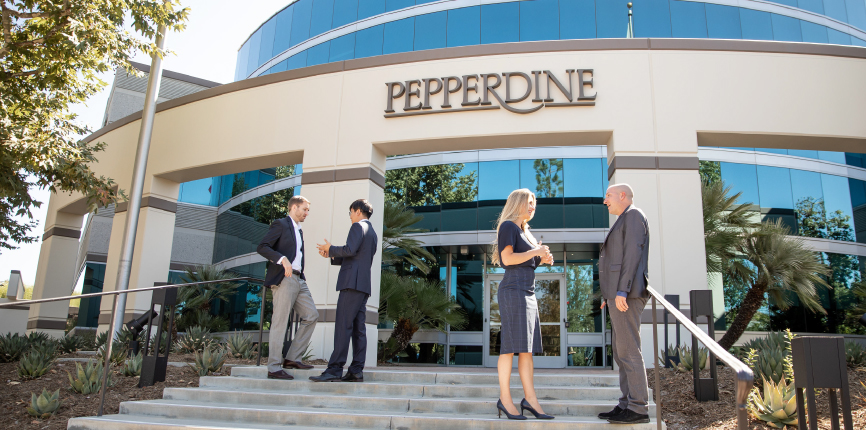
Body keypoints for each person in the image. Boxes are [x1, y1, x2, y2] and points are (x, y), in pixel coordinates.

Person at [491, 189, 555, 420]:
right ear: (517, 203)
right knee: (509, 347)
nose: (532, 207)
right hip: (513, 291)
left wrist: (542, 257)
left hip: (528, 293)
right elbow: (507, 259)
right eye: (529, 202)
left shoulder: (525, 231)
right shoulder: (508, 226)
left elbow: (527, 260)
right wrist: (536, 252)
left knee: (527, 350)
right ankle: (505, 400)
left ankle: (531, 400)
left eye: (534, 203)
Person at [598, 183, 651, 424]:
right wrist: (609, 294)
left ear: (622, 195)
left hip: (627, 296)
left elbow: (632, 255)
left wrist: (621, 290)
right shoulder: (623, 219)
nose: (605, 200)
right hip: (618, 296)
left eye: (608, 195)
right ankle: (626, 403)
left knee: (629, 351)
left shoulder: (633, 215)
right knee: (621, 353)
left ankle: (639, 408)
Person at [310, 199, 378, 383]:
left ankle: (334, 369)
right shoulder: (372, 232)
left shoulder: (357, 227)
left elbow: (350, 249)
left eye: (350, 212)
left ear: (357, 211)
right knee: (358, 330)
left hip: (351, 284)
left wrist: (330, 248)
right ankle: (356, 371)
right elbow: (356, 256)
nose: (349, 216)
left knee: (343, 326)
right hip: (363, 286)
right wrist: (332, 253)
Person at [256, 195, 319, 380]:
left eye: (308, 210)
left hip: (299, 279)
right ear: (294, 207)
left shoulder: (298, 230)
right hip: (285, 278)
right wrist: (282, 259)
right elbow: (262, 247)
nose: (307, 213)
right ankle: (274, 367)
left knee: (312, 315)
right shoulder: (281, 224)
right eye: (305, 209)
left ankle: (292, 358)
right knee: (280, 322)